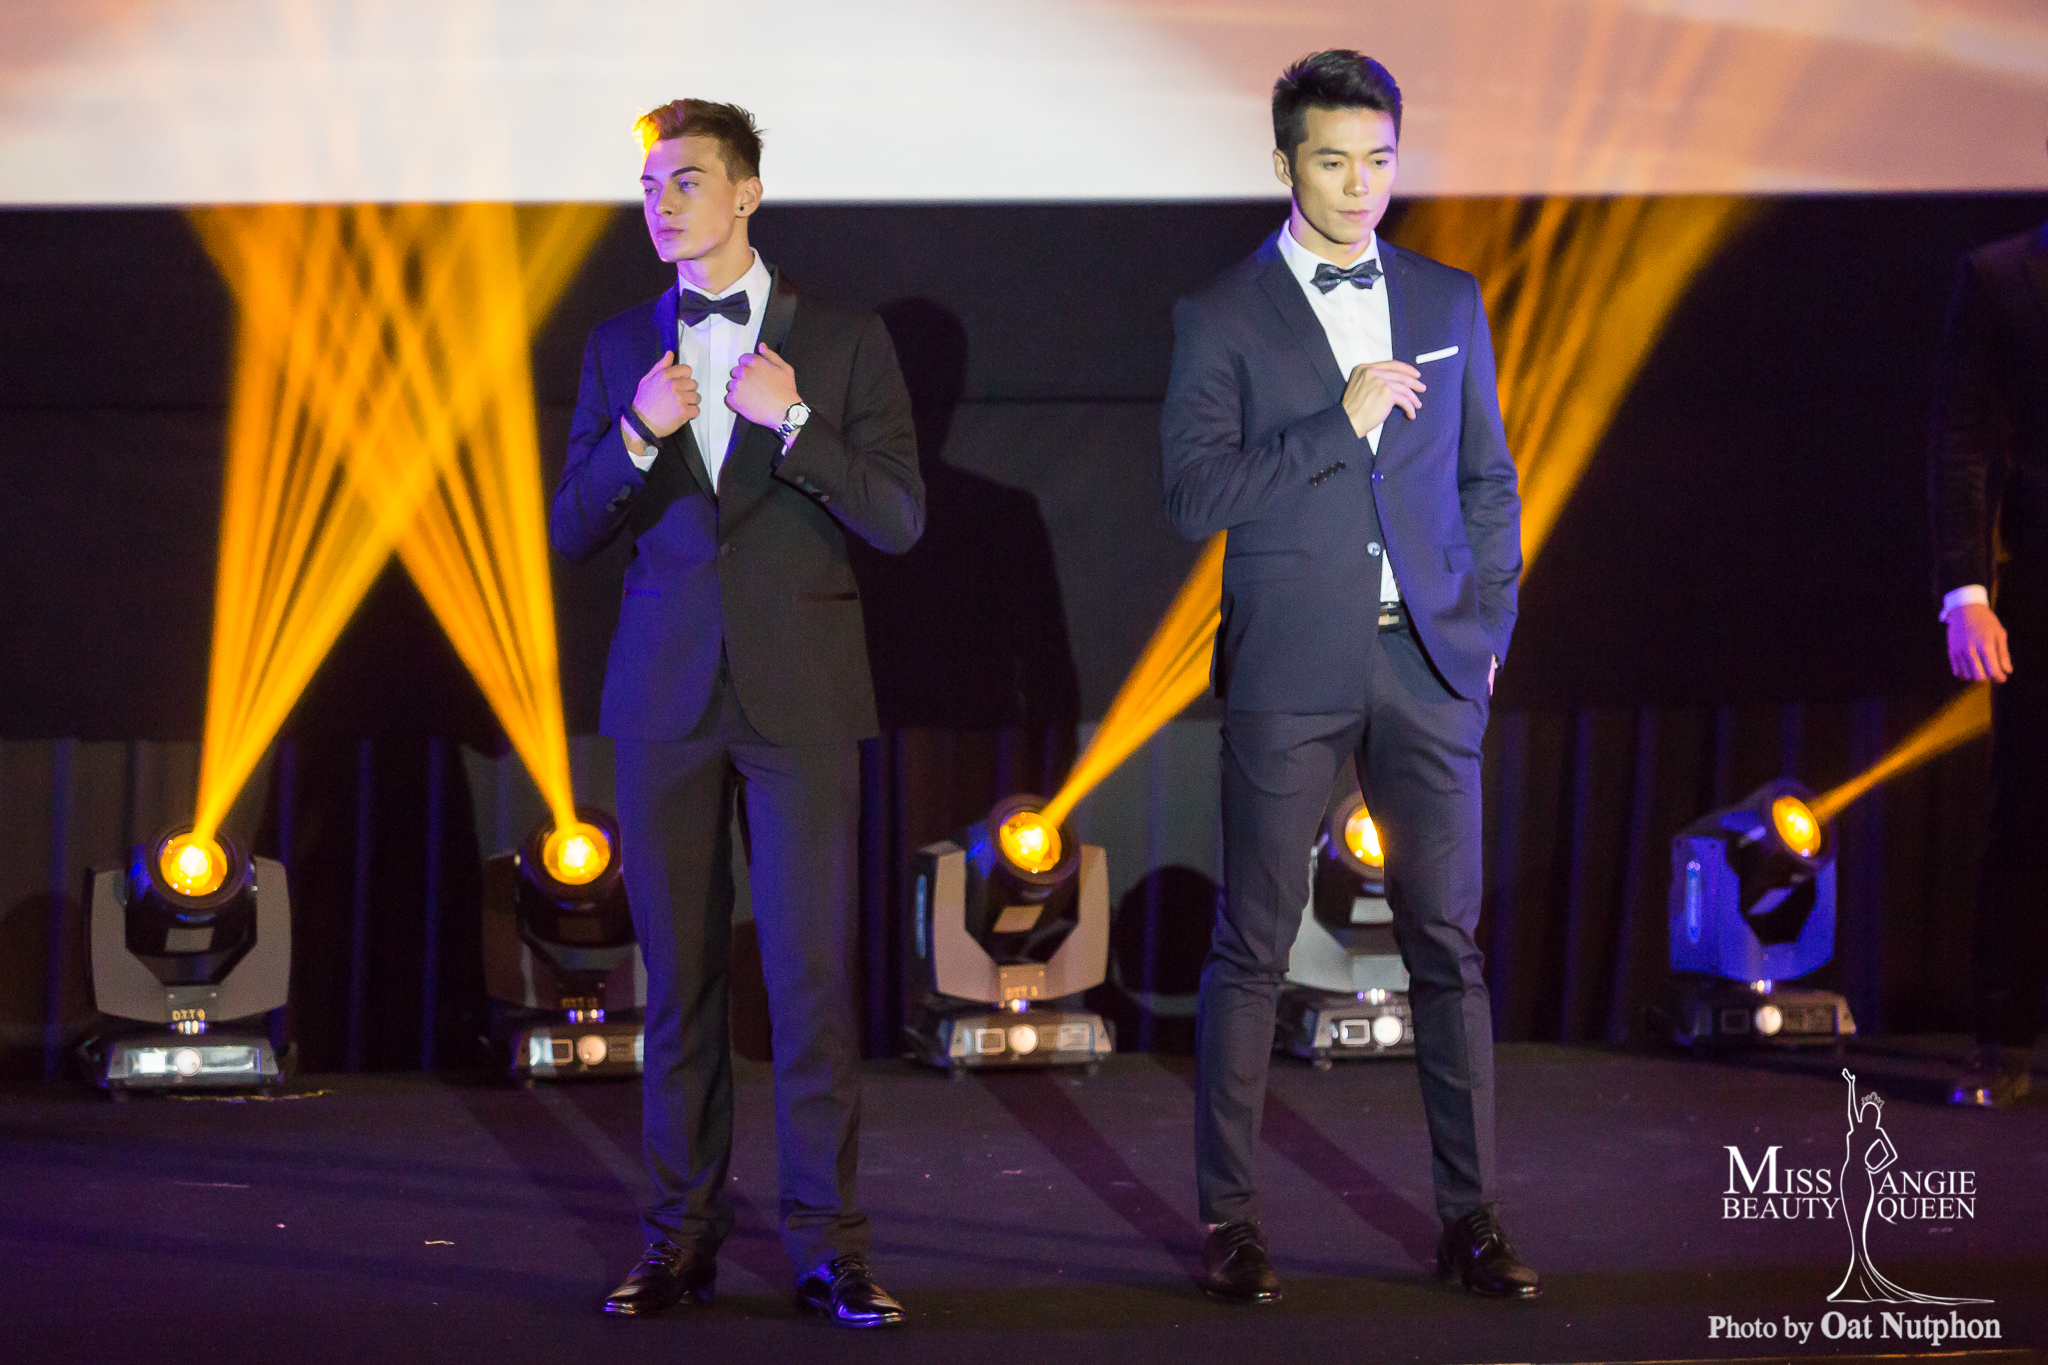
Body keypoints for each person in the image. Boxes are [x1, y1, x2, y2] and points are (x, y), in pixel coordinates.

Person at [1160, 51, 1536, 1303]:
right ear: (1283, 163)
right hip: (1289, 662)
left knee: (1445, 945)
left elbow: (1485, 480)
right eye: (1332, 161)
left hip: (1427, 661)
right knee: (1251, 948)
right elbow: (1194, 494)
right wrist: (1342, 422)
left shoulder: (1445, 296)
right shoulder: (1221, 312)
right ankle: (1229, 1223)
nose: (1359, 184)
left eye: (1378, 159)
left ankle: (1470, 1221)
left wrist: (1484, 628)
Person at [550, 98, 924, 1326]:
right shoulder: (619, 344)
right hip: (663, 698)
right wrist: (634, 434)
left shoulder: (845, 341)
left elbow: (897, 517)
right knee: (680, 987)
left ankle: (829, 1249)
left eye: (688, 181)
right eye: (649, 184)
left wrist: (795, 422)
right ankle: (678, 1241)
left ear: (747, 193)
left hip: (800, 697)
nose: (662, 204)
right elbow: (569, 527)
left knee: (810, 982)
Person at [1928, 184, 2048, 1110]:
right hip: (2040, 578)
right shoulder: (2003, 276)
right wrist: (1966, 592)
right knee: (2028, 806)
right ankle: (2002, 1037)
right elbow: (1961, 443)